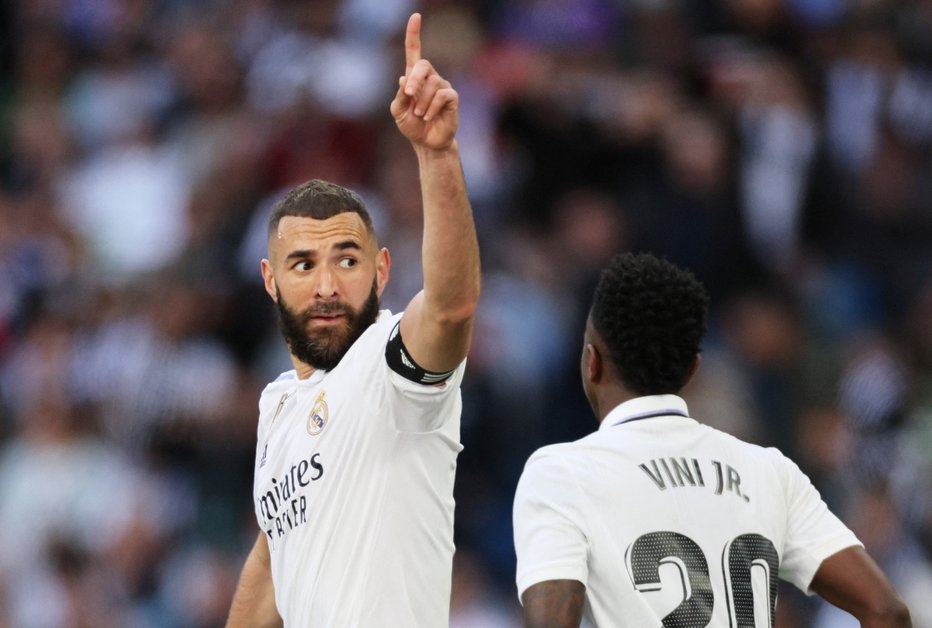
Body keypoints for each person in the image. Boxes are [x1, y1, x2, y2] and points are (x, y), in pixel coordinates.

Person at [225, 12, 480, 627]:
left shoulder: (389, 367)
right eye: (303, 264)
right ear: (270, 279)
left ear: (383, 269)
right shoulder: (279, 405)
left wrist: (436, 153)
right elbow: (272, 554)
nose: (327, 285)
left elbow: (450, 307)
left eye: (346, 258)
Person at [512, 252, 911, 627]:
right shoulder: (769, 470)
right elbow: (887, 611)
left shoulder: (561, 474)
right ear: (693, 371)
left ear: (591, 361)